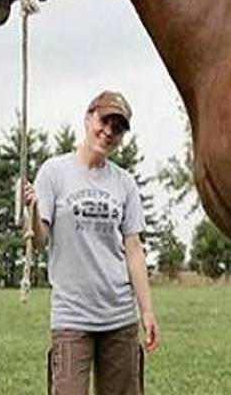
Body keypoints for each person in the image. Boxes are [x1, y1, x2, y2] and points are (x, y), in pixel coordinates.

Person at [24, 90, 160, 395]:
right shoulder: (54, 172)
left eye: (118, 128)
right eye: (104, 121)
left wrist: (147, 311)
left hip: (120, 316)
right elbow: (41, 237)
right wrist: (32, 210)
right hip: (72, 316)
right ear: (88, 119)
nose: (109, 131)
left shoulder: (124, 183)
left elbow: (134, 251)